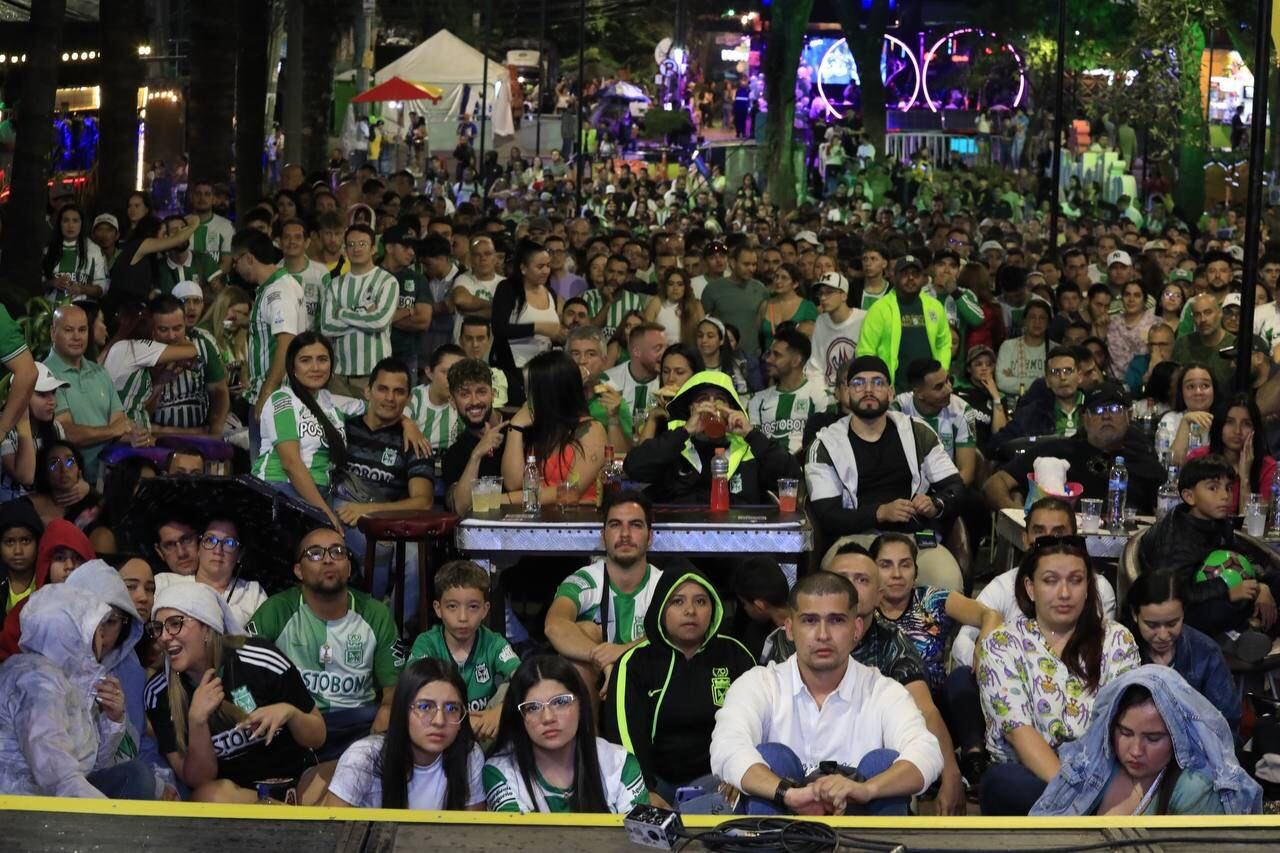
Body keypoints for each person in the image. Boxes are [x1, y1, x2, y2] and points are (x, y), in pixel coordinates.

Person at [708, 572, 943, 816]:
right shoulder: (760, 684)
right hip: (784, 824)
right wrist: (788, 794)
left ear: (856, 628)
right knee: (771, 757)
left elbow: (927, 753)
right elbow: (727, 746)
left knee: (883, 762)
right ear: (789, 628)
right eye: (809, 620)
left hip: (859, 824)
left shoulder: (884, 691)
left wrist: (867, 789)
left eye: (836, 620)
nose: (823, 635)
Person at [977, 535, 1141, 815]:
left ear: (1088, 587)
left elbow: (1124, 724)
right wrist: (1075, 797)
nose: (1064, 593)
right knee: (1002, 783)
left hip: (1099, 774)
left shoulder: (1117, 640)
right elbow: (1018, 732)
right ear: (1030, 588)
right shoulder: (1002, 643)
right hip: (1032, 775)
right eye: (1050, 581)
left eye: (1075, 581)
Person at [144, 582, 326, 803]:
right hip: (242, 800)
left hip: (299, 786)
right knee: (208, 796)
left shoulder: (260, 659)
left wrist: (290, 713)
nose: (163, 637)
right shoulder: (159, 694)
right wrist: (197, 721)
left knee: (348, 768)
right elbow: (198, 780)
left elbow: (318, 736)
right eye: (158, 628)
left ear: (207, 627)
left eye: (175, 624)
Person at [805, 355, 966, 591]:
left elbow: (956, 487)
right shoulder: (825, 444)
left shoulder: (918, 432)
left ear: (891, 393)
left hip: (913, 538)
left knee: (946, 581)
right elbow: (827, 515)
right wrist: (879, 513)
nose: (868, 389)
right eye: (859, 383)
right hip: (854, 540)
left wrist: (936, 504)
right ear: (847, 391)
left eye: (878, 383)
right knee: (845, 589)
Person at [247, 526, 403, 762]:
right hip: (296, 728)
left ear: (349, 568)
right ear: (298, 570)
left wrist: (386, 716)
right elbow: (239, 672)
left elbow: (395, 693)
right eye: (315, 553)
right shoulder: (277, 610)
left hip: (358, 727)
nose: (328, 559)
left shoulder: (375, 614)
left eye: (338, 552)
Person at [603, 563, 755, 803]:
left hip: (718, 780)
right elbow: (624, 734)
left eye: (700, 601)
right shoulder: (635, 662)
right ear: (661, 608)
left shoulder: (736, 655)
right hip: (653, 782)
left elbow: (757, 723)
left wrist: (742, 772)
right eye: (678, 602)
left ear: (713, 608)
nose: (690, 611)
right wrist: (644, 791)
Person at [1032, 667, 1260, 815]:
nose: (1135, 750)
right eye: (1125, 732)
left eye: (1153, 738)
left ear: (1176, 737)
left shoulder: (1193, 789)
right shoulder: (1096, 766)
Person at [0, 584, 155, 799]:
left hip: (52, 799)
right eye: (97, 629)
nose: (102, 638)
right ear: (71, 632)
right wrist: (105, 810)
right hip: (20, 805)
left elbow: (92, 766)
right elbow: (56, 774)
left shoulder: (71, 679)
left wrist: (113, 720)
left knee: (133, 775)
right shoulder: (37, 679)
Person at [1138, 455, 1279, 646]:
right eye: (1213, 488)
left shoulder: (1219, 523)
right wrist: (1227, 591)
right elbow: (1174, 592)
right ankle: (1240, 636)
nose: (1225, 496)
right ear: (1189, 496)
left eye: (1228, 488)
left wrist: (1261, 587)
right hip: (1181, 608)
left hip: (1220, 587)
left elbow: (1243, 560)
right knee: (1218, 610)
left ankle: (1253, 629)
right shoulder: (1176, 536)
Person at [483, 653, 650, 813]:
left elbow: (638, 832)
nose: (548, 718)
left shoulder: (620, 764)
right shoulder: (501, 773)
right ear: (519, 715)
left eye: (560, 702)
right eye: (533, 707)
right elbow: (519, 834)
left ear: (581, 704)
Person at [545, 490, 663, 699]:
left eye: (635, 525)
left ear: (650, 536)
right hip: (600, 687)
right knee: (585, 632)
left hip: (652, 685)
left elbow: (676, 636)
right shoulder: (585, 580)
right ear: (603, 536)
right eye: (615, 525)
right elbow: (554, 626)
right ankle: (588, 722)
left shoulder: (664, 584)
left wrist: (621, 651)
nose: (625, 534)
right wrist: (602, 658)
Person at [323, 658, 485, 810]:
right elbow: (333, 829)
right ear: (402, 710)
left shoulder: (469, 756)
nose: (439, 721)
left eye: (451, 708)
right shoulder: (362, 758)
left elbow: (471, 829)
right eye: (425, 707)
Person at [625, 370, 799, 505]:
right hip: (682, 537)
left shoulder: (749, 449)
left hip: (738, 537)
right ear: (691, 409)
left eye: (720, 400)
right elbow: (634, 467)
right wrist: (685, 431)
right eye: (702, 399)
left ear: (732, 408)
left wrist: (750, 433)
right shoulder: (674, 443)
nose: (712, 405)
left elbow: (791, 477)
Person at [984, 385, 1165, 513]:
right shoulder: (1056, 451)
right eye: (1098, 410)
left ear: (1129, 415)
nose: (1107, 416)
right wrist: (1016, 514)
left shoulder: (1146, 464)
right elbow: (995, 483)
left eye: (1115, 409)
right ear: (1083, 418)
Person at [407, 560, 519, 742]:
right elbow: (413, 691)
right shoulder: (427, 643)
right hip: (440, 728)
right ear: (438, 609)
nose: (463, 617)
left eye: (473, 607)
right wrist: (461, 722)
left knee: (515, 686)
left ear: (485, 610)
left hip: (482, 731)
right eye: (452, 606)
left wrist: (500, 711)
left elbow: (522, 676)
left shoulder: (493, 643)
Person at [252, 332, 354, 530]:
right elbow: (290, 463)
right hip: (279, 489)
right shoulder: (282, 399)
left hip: (322, 493)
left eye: (322, 359)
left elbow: (379, 407)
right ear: (293, 367)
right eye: (305, 360)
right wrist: (324, 513)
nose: (315, 368)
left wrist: (406, 423)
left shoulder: (333, 402)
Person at [1122, 572, 1239, 734]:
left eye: (1172, 624)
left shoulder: (1206, 653)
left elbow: (1226, 724)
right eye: (1152, 625)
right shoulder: (1120, 651)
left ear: (1183, 613)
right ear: (1135, 615)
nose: (1163, 635)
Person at [502, 351, 606, 508]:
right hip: (534, 517)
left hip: (577, 519)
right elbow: (513, 483)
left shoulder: (591, 431)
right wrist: (515, 426)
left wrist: (505, 499)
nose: (527, 397)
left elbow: (570, 491)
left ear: (550, 393)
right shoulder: (534, 428)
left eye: (531, 389)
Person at [45, 304, 130, 483]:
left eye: (82, 330)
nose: (77, 337)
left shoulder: (100, 372)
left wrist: (133, 434)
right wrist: (112, 430)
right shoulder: (45, 375)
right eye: (69, 330)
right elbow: (67, 433)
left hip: (109, 478)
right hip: (69, 483)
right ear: (53, 333)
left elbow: (121, 422)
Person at [234, 229, 306, 430]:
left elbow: (286, 342)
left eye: (236, 261)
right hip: (275, 394)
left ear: (249, 258)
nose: (235, 268)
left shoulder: (277, 291)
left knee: (266, 452)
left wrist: (267, 391)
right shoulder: (277, 286)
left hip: (275, 397)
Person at [319, 223, 399, 397]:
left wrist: (341, 313)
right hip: (339, 375)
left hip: (374, 374)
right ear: (345, 250)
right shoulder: (334, 284)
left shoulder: (387, 281)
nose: (356, 249)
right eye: (351, 244)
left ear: (373, 248)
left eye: (362, 244)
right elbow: (326, 327)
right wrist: (364, 314)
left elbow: (380, 321)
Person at [857, 255, 953, 392]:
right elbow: (866, 351)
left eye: (915, 274)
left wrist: (941, 372)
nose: (911, 278)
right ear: (894, 277)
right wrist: (877, 385)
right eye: (905, 274)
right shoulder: (879, 309)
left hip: (930, 390)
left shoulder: (935, 306)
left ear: (923, 279)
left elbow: (944, 343)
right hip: (892, 388)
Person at [491, 240, 566, 406]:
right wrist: (538, 328)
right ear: (523, 268)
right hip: (513, 371)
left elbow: (552, 334)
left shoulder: (550, 293)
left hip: (544, 372)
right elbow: (499, 329)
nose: (546, 271)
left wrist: (559, 336)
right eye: (540, 266)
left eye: (548, 266)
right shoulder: (507, 289)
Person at [155, 517, 266, 628]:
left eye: (229, 543)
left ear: (240, 554)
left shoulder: (252, 593)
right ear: (199, 547)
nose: (218, 551)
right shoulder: (164, 583)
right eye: (210, 540)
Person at [147, 292, 230, 438]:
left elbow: (219, 391)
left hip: (200, 437)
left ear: (185, 322)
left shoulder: (203, 346)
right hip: (157, 441)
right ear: (152, 327)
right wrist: (160, 381)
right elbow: (141, 414)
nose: (171, 336)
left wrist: (216, 430)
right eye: (163, 330)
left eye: (177, 328)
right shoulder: (143, 353)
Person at [748, 328, 833, 456]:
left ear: (796, 360)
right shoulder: (757, 400)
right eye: (769, 353)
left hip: (807, 465)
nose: (768, 360)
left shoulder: (821, 396)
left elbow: (826, 442)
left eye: (777, 355)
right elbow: (754, 444)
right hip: (767, 465)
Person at [1185, 393, 1274, 514]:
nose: (1237, 431)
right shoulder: (1199, 458)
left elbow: (1252, 522)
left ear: (1255, 429)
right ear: (1220, 425)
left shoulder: (1268, 467)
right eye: (1229, 422)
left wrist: (1245, 479)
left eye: (1246, 423)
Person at [893, 358, 977, 484]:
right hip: (907, 486)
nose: (949, 389)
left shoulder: (963, 411)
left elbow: (966, 473)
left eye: (948, 380)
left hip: (946, 486)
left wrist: (944, 496)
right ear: (919, 393)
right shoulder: (899, 408)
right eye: (939, 387)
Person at [442, 357, 507, 516]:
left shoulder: (517, 429)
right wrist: (477, 454)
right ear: (452, 401)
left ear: (493, 394)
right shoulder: (454, 454)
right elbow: (460, 508)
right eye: (465, 394)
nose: (475, 401)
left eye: (481, 392)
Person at [990, 345, 1085, 445]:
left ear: (1079, 376)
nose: (1062, 377)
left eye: (1068, 371)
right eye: (1055, 372)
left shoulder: (1092, 405)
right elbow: (997, 443)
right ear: (1047, 381)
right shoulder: (1032, 413)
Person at [568, 325, 634, 452]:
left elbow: (621, 455)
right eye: (575, 354)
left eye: (591, 354)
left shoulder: (615, 403)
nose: (582, 361)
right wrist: (571, 389)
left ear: (604, 361)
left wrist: (613, 417)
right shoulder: (553, 396)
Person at [805, 271, 865, 388]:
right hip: (827, 390)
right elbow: (815, 366)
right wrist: (821, 394)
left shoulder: (863, 318)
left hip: (858, 388)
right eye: (820, 293)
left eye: (829, 292)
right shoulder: (821, 321)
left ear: (844, 295)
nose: (823, 298)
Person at [408, 345, 465, 459]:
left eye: (459, 373)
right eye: (446, 372)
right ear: (429, 372)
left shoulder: (466, 401)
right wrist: (407, 423)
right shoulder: (415, 397)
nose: (453, 379)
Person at [29, 440, 101, 530]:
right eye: (54, 463)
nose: (64, 469)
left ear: (79, 469)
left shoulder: (95, 505)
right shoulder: (30, 506)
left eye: (70, 461)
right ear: (44, 473)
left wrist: (90, 489)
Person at [43, 204, 109, 301]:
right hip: (50, 308)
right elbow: (37, 284)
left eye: (75, 221)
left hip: (82, 308)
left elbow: (103, 289)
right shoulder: (47, 250)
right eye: (66, 220)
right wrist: (52, 283)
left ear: (81, 224)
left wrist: (83, 289)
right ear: (59, 224)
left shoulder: (94, 250)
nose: (70, 225)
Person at [603, 322, 665, 421]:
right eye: (658, 348)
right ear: (637, 352)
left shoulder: (668, 384)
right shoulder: (609, 381)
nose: (665, 353)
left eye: (666, 347)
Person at [1161, 363, 1219, 467]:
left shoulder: (1224, 420)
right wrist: (1185, 422)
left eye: (1205, 386)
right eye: (1191, 386)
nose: (1198, 392)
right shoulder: (1170, 419)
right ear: (1181, 392)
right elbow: (1172, 466)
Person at [1171, 294, 1233, 390]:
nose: (1203, 319)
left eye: (1208, 313)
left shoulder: (1234, 345)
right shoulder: (1183, 344)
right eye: (1197, 314)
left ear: (1220, 313)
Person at [449, 235, 502, 343]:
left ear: (495, 258)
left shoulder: (505, 283)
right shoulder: (463, 279)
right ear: (471, 260)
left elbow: (507, 315)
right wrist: (496, 306)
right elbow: (460, 300)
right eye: (477, 255)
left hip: (494, 347)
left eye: (487, 254)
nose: (483, 258)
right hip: (463, 347)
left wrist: (470, 312)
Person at [993, 299, 1051, 395]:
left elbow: (1057, 383)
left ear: (1048, 323)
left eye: (1042, 318)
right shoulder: (1008, 346)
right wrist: (1043, 383)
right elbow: (1001, 383)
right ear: (1024, 321)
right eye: (1032, 317)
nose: (1037, 322)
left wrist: (1015, 380)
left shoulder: (1055, 349)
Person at [758, 262, 816, 350]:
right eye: (776, 277)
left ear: (795, 284)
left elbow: (812, 339)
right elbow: (757, 335)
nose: (778, 281)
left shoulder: (808, 307)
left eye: (784, 278)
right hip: (769, 356)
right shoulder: (765, 305)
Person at [0, 500, 42, 616]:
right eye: (9, 542)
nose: (18, 551)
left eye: (25, 540)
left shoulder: (48, 582)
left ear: (38, 542)